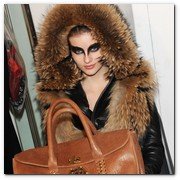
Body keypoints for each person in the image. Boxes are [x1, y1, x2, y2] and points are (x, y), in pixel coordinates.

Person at [34, 4, 172, 174]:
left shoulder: (133, 86)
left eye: (94, 48)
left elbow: (153, 149)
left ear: (108, 45)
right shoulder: (57, 97)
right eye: (78, 50)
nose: (87, 59)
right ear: (68, 51)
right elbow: (56, 155)